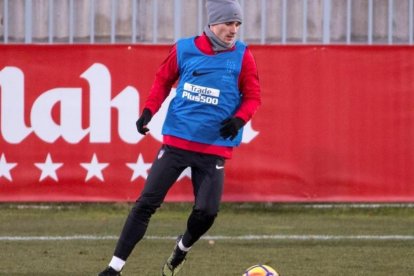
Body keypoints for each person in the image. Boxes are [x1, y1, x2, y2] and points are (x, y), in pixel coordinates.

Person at [99, 0, 261, 275]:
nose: (233, 29)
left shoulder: (243, 55)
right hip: (177, 142)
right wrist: (149, 111)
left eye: (237, 24)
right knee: (146, 203)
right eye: (228, 23)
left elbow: (253, 96)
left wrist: (238, 119)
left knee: (207, 213)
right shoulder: (184, 48)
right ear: (212, 23)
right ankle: (114, 268)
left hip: (214, 148)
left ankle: (181, 249)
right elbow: (162, 80)